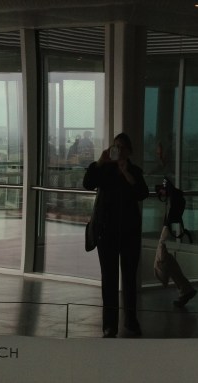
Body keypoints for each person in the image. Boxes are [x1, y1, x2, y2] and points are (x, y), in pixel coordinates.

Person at [83, 133, 149, 338]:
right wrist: (100, 162)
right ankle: (109, 324)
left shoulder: (134, 171)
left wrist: (126, 172)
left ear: (129, 151)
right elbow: (88, 183)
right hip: (107, 232)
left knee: (129, 278)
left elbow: (142, 193)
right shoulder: (105, 169)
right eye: (115, 146)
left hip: (129, 233)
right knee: (109, 279)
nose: (118, 150)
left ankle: (131, 320)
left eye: (122, 147)